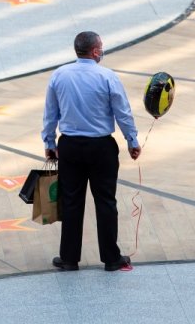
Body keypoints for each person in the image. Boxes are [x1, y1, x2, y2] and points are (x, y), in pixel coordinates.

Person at [41, 31, 141, 272]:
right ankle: (111, 258)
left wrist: (50, 143)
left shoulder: (59, 75)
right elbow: (122, 113)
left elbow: (50, 113)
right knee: (106, 201)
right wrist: (132, 140)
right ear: (95, 51)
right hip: (101, 148)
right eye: (102, 47)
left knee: (72, 201)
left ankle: (68, 258)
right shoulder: (107, 77)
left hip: (70, 147)